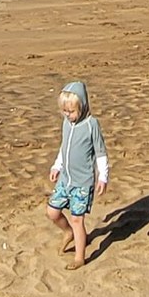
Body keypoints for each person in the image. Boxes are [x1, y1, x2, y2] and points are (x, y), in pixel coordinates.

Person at [46, 81, 110, 268]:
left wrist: (103, 176)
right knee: (52, 212)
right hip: (65, 179)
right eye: (64, 111)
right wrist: (56, 166)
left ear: (82, 106)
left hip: (83, 183)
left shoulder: (91, 125)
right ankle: (68, 233)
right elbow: (63, 148)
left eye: (71, 111)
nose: (68, 115)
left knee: (77, 219)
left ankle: (79, 257)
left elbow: (101, 152)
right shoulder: (66, 124)